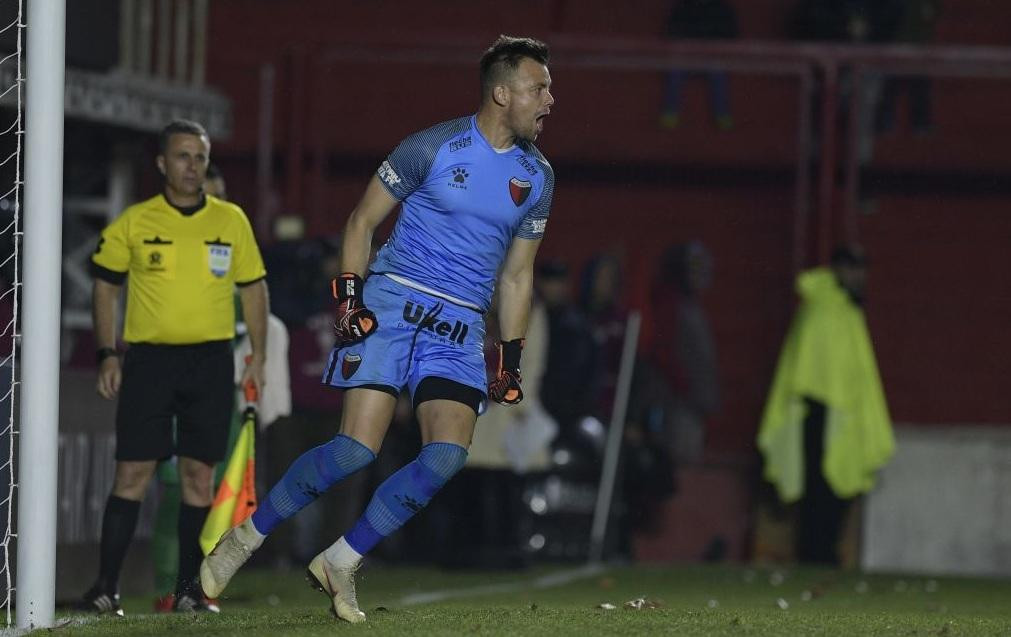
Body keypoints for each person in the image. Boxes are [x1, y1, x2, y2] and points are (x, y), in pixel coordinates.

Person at [199, 35, 555, 624]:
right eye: (538, 87)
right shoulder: (432, 147)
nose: (550, 98)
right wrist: (348, 296)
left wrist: (510, 359)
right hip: (393, 303)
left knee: (445, 456)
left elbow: (517, 276)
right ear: (501, 91)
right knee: (353, 452)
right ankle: (247, 536)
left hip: (460, 323)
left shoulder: (537, 176)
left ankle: (342, 558)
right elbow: (361, 223)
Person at [79, 120, 269, 614]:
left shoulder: (231, 220)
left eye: (200, 158)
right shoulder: (136, 221)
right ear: (162, 163)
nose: (192, 167)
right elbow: (105, 285)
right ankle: (105, 587)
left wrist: (258, 359)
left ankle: (187, 589)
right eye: (183, 157)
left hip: (210, 362)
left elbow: (254, 289)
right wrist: (107, 353)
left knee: (198, 478)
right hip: (150, 363)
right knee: (133, 474)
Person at [757, 245, 894, 566]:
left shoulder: (846, 308)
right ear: (838, 269)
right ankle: (815, 555)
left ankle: (824, 553)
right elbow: (813, 369)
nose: (860, 276)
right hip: (817, 410)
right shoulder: (822, 308)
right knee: (820, 489)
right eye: (854, 268)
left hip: (839, 411)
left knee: (835, 491)